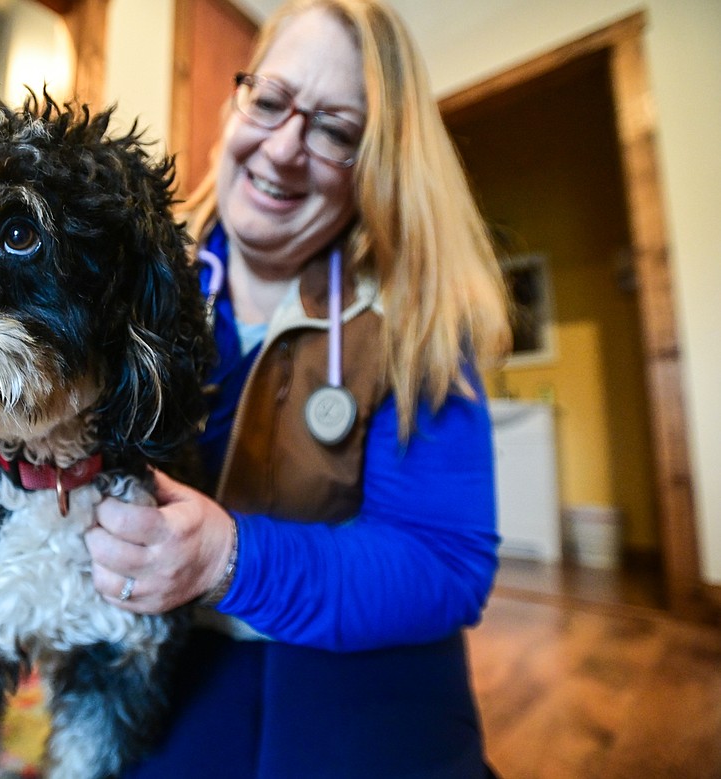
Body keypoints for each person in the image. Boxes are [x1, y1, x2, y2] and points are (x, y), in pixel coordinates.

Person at [84, 0, 510, 776]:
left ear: (376, 163)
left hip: (347, 642)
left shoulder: (419, 321)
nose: (283, 150)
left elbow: (444, 563)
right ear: (236, 104)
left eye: (336, 131)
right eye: (272, 101)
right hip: (164, 643)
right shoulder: (128, 275)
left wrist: (230, 558)